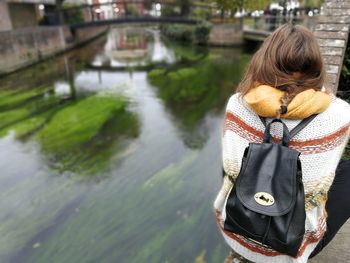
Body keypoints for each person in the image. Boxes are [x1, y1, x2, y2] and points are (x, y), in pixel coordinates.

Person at [214, 23, 350, 263]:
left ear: (262, 61)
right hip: (291, 246)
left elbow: (229, 167)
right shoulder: (340, 115)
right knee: (345, 172)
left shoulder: (236, 104)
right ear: (315, 66)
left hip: (236, 227)